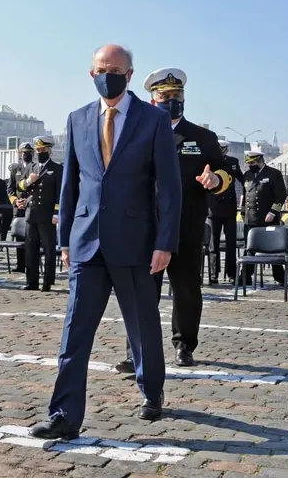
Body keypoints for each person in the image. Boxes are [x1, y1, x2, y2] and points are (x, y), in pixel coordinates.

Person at [30, 44, 182, 440]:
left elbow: (169, 187)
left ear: (130, 75)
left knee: (142, 326)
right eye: (101, 68)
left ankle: (152, 390)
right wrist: (64, 239)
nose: (107, 75)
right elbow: (71, 184)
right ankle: (64, 414)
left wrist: (165, 242)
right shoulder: (78, 119)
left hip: (136, 242)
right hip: (85, 242)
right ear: (90, 72)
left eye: (115, 69)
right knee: (75, 332)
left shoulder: (153, 120)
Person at [115, 67, 232, 373]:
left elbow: (225, 173)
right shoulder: (136, 130)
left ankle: (184, 345)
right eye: (164, 96)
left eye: (176, 96)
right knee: (142, 291)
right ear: (152, 100)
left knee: (187, 289)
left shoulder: (202, 137)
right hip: (145, 226)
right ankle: (135, 351)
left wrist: (214, 180)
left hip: (187, 225)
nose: (171, 100)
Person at [20, 136, 64, 291]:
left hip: (47, 215)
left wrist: (56, 213)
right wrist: (28, 182)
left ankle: (47, 281)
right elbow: (20, 186)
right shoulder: (31, 168)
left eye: (42, 150)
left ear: (49, 150)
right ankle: (31, 281)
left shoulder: (57, 169)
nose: (39, 152)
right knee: (30, 249)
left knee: (48, 249)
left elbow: (59, 193)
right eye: (38, 150)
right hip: (31, 214)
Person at [240, 149, 287, 284]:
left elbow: (280, 196)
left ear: (260, 161)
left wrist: (273, 212)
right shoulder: (248, 175)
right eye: (249, 163)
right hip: (251, 219)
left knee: (272, 249)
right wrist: (243, 214)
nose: (251, 165)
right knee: (249, 249)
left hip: (267, 219)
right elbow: (245, 196)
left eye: (253, 163)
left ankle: (279, 277)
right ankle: (245, 276)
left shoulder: (273, 174)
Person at [207, 140, 243, 283]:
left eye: (223, 149)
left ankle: (232, 274)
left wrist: (245, 197)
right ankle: (213, 274)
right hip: (213, 208)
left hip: (229, 207)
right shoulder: (208, 162)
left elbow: (242, 180)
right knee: (213, 244)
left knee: (231, 244)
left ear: (227, 149)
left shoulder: (233, 162)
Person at [7, 142, 34, 273]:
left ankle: (30, 264)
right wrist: (15, 201)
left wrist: (27, 201)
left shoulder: (35, 167)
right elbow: (10, 189)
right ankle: (20, 264)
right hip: (18, 207)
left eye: (28, 153)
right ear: (20, 153)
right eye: (24, 152)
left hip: (30, 206)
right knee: (19, 237)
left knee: (30, 236)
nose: (26, 155)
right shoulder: (15, 169)